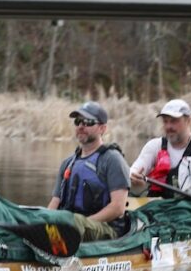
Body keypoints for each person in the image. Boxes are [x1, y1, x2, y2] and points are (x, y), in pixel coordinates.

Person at [48, 101, 132, 241]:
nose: (81, 126)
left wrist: (85, 223)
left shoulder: (112, 160)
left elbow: (118, 208)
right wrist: (43, 220)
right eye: (78, 121)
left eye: (88, 122)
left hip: (105, 228)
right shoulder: (68, 163)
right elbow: (54, 202)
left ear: (102, 128)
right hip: (71, 223)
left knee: (72, 225)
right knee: (36, 216)